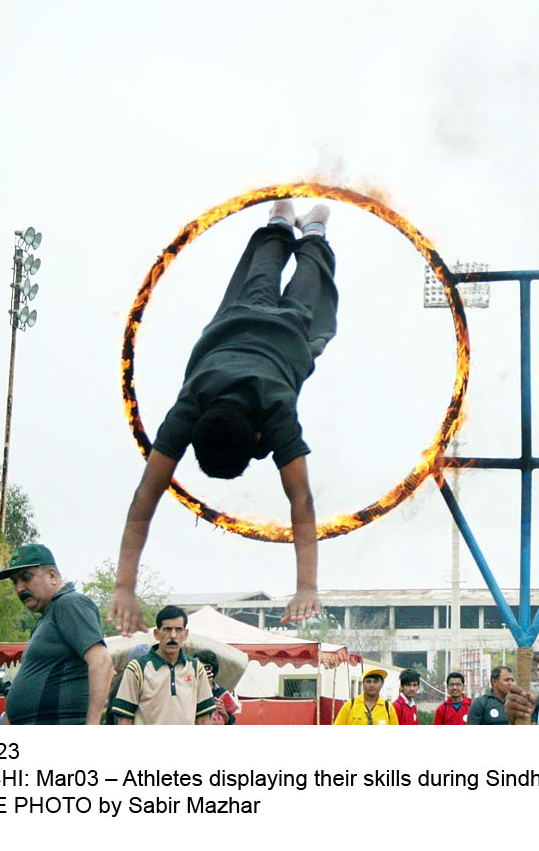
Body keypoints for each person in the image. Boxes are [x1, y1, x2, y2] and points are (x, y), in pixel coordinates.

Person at [111, 200, 338, 634]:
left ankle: (311, 234)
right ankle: (279, 225)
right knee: (258, 278)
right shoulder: (188, 408)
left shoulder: (274, 411)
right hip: (232, 324)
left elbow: (303, 503)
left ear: (257, 436)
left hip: (291, 336)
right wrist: (123, 586)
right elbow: (144, 497)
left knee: (313, 290)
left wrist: (307, 585)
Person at [0, 544, 112, 725]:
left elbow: (102, 663)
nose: (19, 588)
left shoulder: (70, 603)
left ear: (52, 575)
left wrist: (92, 726)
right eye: (15, 582)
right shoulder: (47, 617)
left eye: (26, 578)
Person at [111, 606, 215, 725]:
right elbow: (125, 720)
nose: (173, 635)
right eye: (167, 629)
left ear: (186, 634)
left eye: (179, 629)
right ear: (156, 634)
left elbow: (203, 720)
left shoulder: (196, 669)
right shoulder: (137, 669)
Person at [334, 668, 398, 725]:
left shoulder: (388, 708)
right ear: (363, 683)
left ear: (382, 684)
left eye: (375, 682)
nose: (372, 685)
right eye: (368, 681)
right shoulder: (350, 705)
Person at [196, 649, 241, 725]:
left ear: (210, 669)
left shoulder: (221, 692)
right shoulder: (190, 690)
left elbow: (232, 721)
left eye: (200, 667)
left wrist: (224, 714)